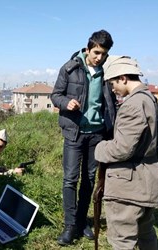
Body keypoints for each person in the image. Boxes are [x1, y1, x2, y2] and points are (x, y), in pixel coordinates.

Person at [50, 29, 117, 245]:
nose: (99, 57)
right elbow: (55, 95)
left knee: (89, 180)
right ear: (87, 49)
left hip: (97, 134)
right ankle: (70, 226)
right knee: (70, 179)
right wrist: (65, 103)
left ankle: (82, 221)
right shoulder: (70, 68)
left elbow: (110, 101)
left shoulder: (107, 72)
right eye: (96, 52)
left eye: (104, 54)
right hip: (74, 132)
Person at [95, 56, 158, 249]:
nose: (112, 88)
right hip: (146, 180)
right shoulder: (149, 99)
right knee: (145, 233)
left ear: (123, 78)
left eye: (112, 83)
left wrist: (100, 148)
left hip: (129, 185)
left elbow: (122, 149)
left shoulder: (133, 104)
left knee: (121, 240)